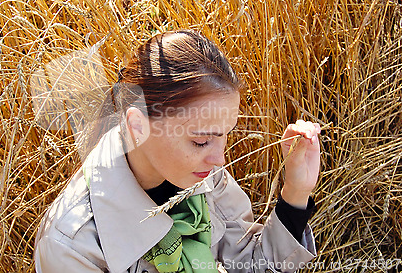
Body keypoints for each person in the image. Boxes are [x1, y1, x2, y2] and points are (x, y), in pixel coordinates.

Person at [34, 30, 321, 273]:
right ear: (137, 126)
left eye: (224, 136)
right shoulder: (72, 247)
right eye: (200, 141)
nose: (220, 159)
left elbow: (252, 263)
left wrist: (295, 191)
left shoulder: (200, 173)